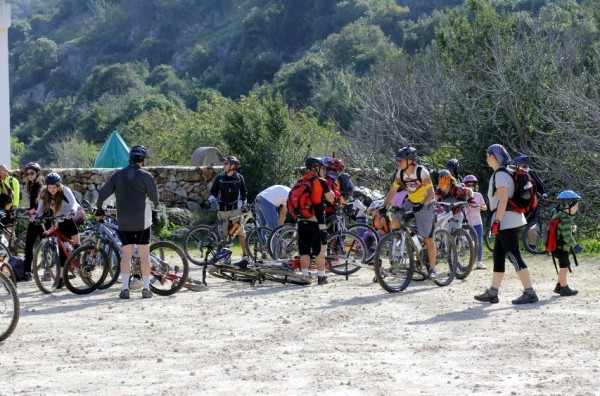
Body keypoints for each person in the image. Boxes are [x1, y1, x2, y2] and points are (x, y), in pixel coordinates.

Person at [474, 144, 538, 304]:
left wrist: (497, 221)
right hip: (510, 219)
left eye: (488, 155)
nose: (486, 158)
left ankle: (530, 292)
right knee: (498, 255)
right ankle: (493, 292)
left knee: (514, 255)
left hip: (506, 221)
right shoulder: (506, 172)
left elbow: (503, 200)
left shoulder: (501, 175)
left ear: (493, 157)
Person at [96, 145, 160, 299]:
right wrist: (155, 209)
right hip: (142, 221)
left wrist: (99, 209)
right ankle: (146, 289)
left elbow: (103, 194)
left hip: (124, 220)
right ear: (143, 160)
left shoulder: (118, 175)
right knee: (144, 255)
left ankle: (125, 289)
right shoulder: (146, 176)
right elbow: (155, 199)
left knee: (126, 255)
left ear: (130, 158)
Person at [384, 146, 438, 278]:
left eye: (400, 160)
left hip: (426, 203)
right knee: (396, 223)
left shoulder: (421, 172)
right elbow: (392, 191)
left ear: (410, 161)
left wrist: (422, 204)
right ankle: (412, 241)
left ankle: (432, 268)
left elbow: (431, 193)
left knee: (428, 238)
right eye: (397, 160)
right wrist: (384, 206)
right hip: (411, 202)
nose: (398, 163)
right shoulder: (400, 173)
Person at [34, 172, 82, 289]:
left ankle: (79, 258)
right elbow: (39, 209)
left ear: (58, 185)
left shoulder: (65, 190)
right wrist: (35, 216)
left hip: (73, 215)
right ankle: (61, 278)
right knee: (62, 248)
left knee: (76, 245)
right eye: (49, 187)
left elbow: (74, 203)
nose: (52, 189)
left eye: (54, 187)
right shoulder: (45, 194)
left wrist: (72, 212)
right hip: (59, 218)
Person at [297, 157, 333, 285]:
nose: (323, 170)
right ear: (315, 168)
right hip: (317, 220)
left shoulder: (300, 181)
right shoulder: (321, 182)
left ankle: (305, 276)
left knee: (304, 251)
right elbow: (330, 199)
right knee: (320, 250)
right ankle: (321, 277)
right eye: (322, 168)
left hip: (301, 220)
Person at [208, 155, 249, 259]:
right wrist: (212, 200)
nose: (224, 165)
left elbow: (244, 194)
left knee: (241, 233)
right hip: (223, 209)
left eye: (226, 163)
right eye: (224, 163)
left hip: (236, 210)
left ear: (232, 166)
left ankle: (245, 255)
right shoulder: (220, 178)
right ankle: (226, 257)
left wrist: (243, 203)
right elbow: (212, 192)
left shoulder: (239, 178)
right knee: (225, 234)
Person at [550, 190, 582, 297]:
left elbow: (561, 230)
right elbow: (567, 237)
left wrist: (571, 229)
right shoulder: (566, 219)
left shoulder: (557, 214)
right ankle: (564, 289)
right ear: (568, 205)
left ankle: (559, 286)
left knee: (564, 267)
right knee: (564, 268)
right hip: (562, 248)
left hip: (555, 247)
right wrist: (576, 245)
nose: (577, 208)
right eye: (576, 206)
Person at [22, 162, 44, 281]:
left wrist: (32, 211)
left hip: (39, 219)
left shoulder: (38, 184)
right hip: (36, 218)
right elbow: (34, 204)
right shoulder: (32, 184)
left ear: (37, 173)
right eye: (28, 173)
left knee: (33, 245)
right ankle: (28, 271)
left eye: (32, 173)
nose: (29, 175)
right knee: (33, 245)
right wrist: (28, 210)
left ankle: (27, 272)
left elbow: (38, 204)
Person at [463, 174, 488, 269]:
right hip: (467, 223)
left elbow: (485, 207)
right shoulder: (463, 196)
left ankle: (479, 261)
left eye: (472, 185)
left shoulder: (478, 195)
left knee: (479, 241)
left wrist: (480, 207)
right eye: (468, 185)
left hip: (478, 222)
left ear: (475, 186)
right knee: (470, 243)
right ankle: (470, 261)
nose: (470, 187)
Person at [322, 158, 345, 230]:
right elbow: (330, 196)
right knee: (324, 232)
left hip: (331, 211)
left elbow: (336, 195)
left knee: (331, 233)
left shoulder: (332, 181)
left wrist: (343, 204)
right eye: (339, 170)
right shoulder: (328, 180)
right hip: (327, 211)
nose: (339, 172)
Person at [0, 164, 20, 235]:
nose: (1, 172)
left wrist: (14, 208)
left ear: (6, 171)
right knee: (4, 230)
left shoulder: (13, 181)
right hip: (2, 209)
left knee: (9, 230)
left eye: (2, 170)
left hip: (10, 208)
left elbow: (17, 195)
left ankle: (12, 245)